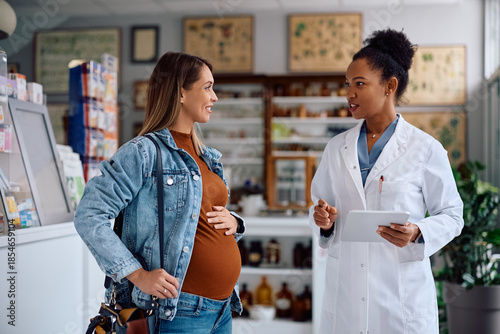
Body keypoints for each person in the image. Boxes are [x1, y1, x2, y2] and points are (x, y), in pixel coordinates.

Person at [74, 52, 244, 334]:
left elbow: (196, 216)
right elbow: (89, 215)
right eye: (207, 87)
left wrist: (235, 222)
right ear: (180, 92)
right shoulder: (143, 152)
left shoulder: (207, 156)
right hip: (176, 312)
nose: (214, 97)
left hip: (222, 310)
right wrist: (138, 275)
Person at [309, 29, 463, 334]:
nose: (349, 93)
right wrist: (324, 220)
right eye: (348, 85)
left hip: (401, 301)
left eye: (360, 84)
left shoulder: (424, 148)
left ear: (389, 86)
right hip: (347, 297)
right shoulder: (336, 148)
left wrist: (419, 231)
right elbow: (319, 208)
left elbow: (453, 215)